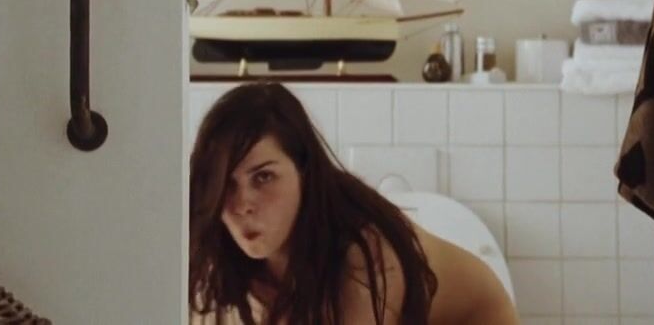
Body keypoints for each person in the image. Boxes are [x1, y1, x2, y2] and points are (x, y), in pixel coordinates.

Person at [189, 82, 518, 325]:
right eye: (226, 184)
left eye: (263, 177)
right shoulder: (220, 251)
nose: (242, 205)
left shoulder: (364, 256)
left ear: (304, 171)